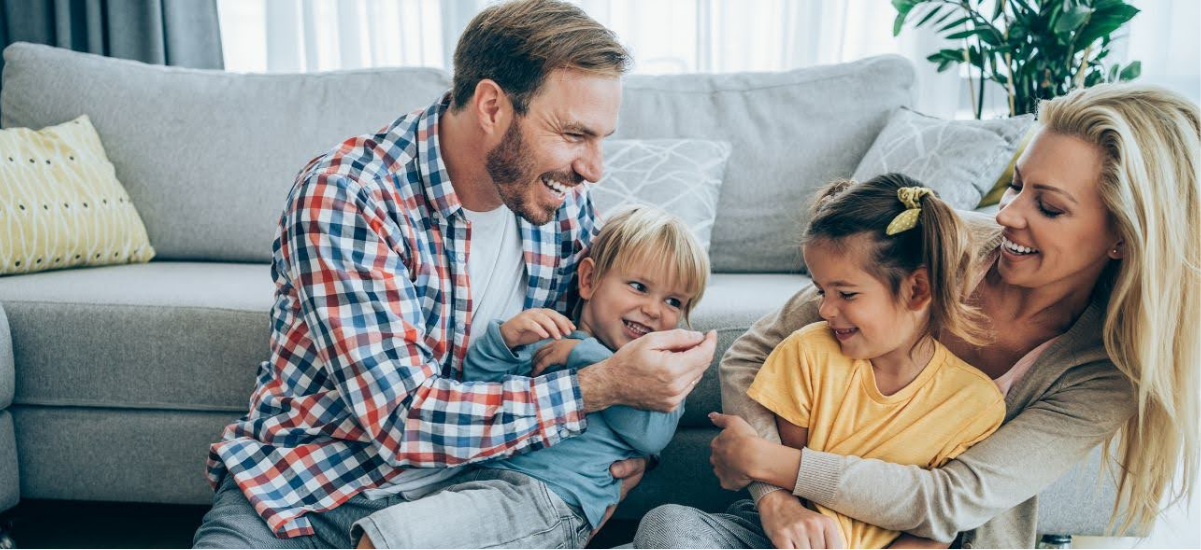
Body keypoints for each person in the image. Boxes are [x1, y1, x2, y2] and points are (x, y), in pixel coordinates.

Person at [192, 1, 717, 547]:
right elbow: (403, 422)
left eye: (601, 138)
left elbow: (595, 341)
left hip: (482, 490)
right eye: (574, 134)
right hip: (313, 492)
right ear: (492, 106)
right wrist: (597, 389)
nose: (594, 168)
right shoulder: (350, 198)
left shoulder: (559, 200)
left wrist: (617, 463)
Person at [637, 83, 1199, 549]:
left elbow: (950, 499)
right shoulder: (941, 242)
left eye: (1047, 207)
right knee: (669, 464)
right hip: (799, 519)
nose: (1006, 214)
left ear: (1123, 238)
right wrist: (775, 502)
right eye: (1017, 185)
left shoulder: (1102, 372)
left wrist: (779, 465)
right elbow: (754, 354)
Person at [352, 206, 709, 548]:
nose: (653, 309)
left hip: (546, 501)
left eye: (674, 302)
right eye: (639, 286)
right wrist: (504, 341)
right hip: (477, 481)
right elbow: (476, 387)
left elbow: (652, 436)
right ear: (588, 280)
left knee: (392, 539)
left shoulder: (659, 373)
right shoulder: (549, 335)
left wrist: (584, 356)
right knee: (387, 529)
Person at [731, 174, 1004, 549]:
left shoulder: (975, 402)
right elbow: (791, 485)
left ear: (917, 289)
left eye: (846, 293)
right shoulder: (808, 353)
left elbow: (933, 530)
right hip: (779, 535)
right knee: (668, 524)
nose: (824, 309)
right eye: (820, 291)